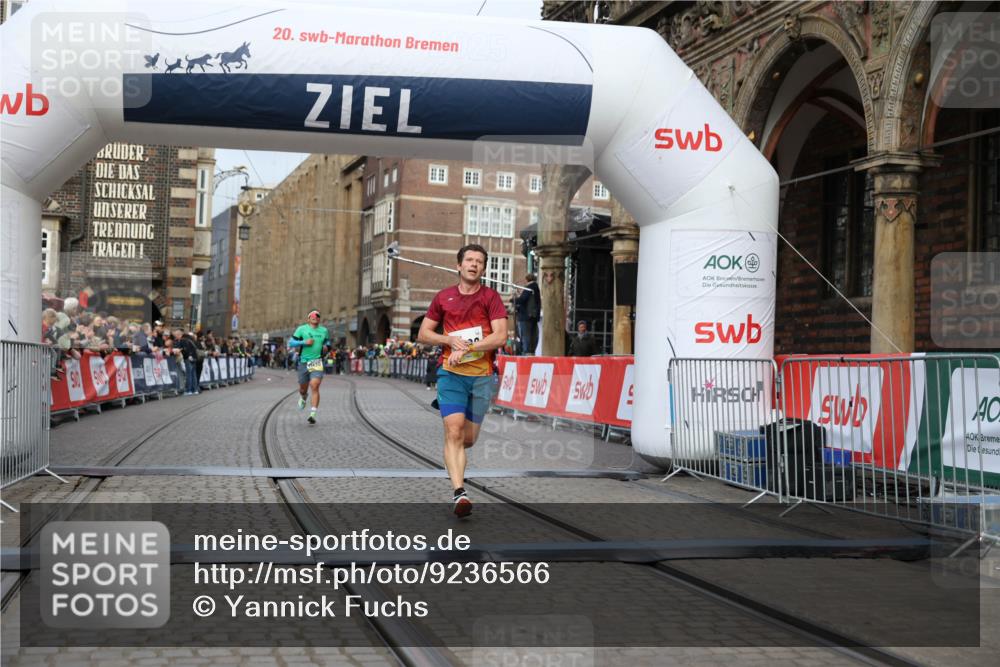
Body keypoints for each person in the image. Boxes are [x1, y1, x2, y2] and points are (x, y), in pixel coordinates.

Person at [417, 244, 508, 517]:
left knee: (467, 439)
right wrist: (448, 339)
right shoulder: (443, 298)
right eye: (469, 260)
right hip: (451, 375)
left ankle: (453, 450)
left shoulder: (491, 298)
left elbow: (500, 336)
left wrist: (467, 348)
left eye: (479, 261)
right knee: (454, 431)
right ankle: (460, 493)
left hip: (481, 378)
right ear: (459, 265)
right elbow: (424, 333)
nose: (474, 264)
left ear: (483, 268)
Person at [289, 310, 330, 424]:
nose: (315, 317)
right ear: (308, 319)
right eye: (312, 315)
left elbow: (328, 343)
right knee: (303, 389)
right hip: (303, 362)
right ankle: (303, 397)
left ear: (319, 319)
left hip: (317, 362)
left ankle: (312, 414)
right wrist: (304, 342)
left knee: (315, 386)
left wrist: (326, 347)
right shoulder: (302, 329)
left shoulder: (324, 331)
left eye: (317, 316)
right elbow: (291, 343)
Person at [513, 273, 540, 354]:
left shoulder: (530, 287)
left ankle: (526, 352)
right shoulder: (535, 288)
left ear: (526, 279)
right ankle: (530, 352)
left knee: (525, 336)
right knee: (531, 336)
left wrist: (513, 299)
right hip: (532, 316)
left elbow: (522, 299)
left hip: (526, 317)